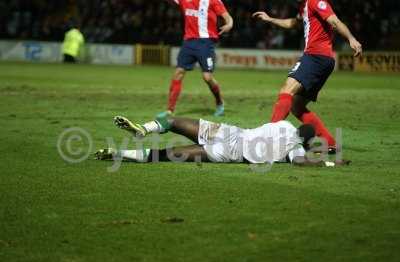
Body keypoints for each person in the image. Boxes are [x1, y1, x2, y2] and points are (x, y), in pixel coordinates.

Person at [253, 0, 362, 153]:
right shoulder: (303, 6)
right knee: (296, 106)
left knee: (286, 91)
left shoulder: (315, 1)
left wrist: (351, 38)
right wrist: (270, 19)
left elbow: (334, 21)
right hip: (323, 59)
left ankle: (268, 139)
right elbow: (292, 23)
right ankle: (331, 143)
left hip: (316, 56)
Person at [95, 115, 348, 167]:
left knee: (171, 120)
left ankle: (143, 129)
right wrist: (330, 163)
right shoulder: (294, 149)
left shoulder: (282, 124)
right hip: (230, 154)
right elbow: (302, 163)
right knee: (169, 154)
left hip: (229, 132)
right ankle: (121, 154)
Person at [162, 0, 234, 116]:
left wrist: (229, 24)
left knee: (207, 77)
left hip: (205, 43)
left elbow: (227, 17)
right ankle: (169, 110)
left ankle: (219, 103)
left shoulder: (213, 1)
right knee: (178, 72)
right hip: (189, 42)